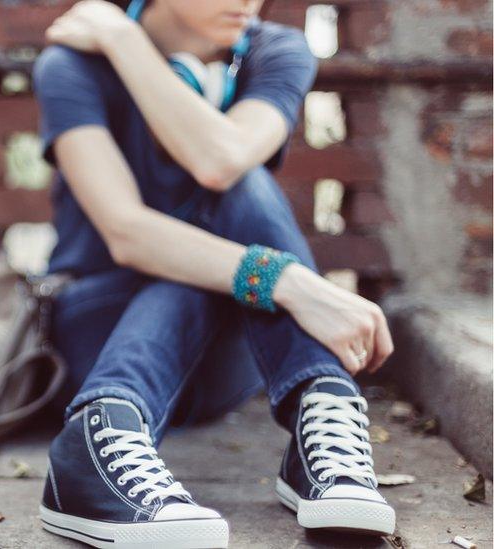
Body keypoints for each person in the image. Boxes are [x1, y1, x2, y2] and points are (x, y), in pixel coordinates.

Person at [29, 0, 397, 547]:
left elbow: (221, 158)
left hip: (221, 359)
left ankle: (317, 410)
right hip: (96, 333)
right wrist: (288, 280)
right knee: (203, 248)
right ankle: (112, 419)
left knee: (239, 186)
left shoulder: (276, 51)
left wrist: (125, 40)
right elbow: (127, 233)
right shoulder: (73, 65)